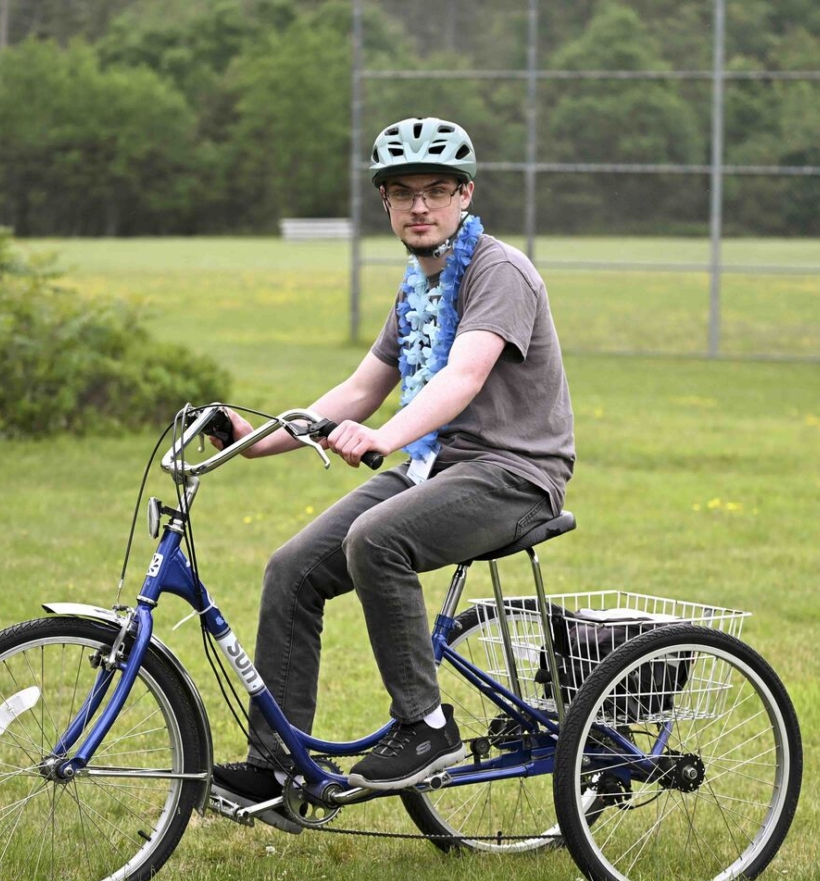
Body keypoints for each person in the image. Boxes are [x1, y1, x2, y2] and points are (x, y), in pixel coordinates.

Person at [211, 116, 574, 825]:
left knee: (376, 538)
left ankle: (426, 726)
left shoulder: (498, 271)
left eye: (436, 190)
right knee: (292, 569)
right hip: (436, 466)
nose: (419, 206)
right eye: (403, 192)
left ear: (465, 195)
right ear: (384, 203)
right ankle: (275, 770)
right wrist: (258, 441)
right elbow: (358, 389)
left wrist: (384, 436)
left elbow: (462, 375)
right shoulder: (416, 289)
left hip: (513, 472)